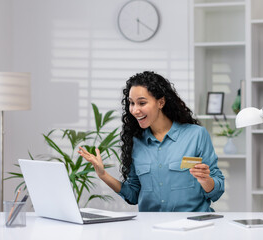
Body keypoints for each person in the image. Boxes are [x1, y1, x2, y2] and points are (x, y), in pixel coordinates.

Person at [78, 71, 224, 212]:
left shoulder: (196, 135)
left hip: (192, 227)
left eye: (141, 103)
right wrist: (103, 175)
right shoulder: (137, 142)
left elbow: (217, 191)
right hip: (151, 229)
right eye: (131, 103)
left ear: (161, 102)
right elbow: (133, 195)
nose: (134, 110)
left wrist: (205, 180)